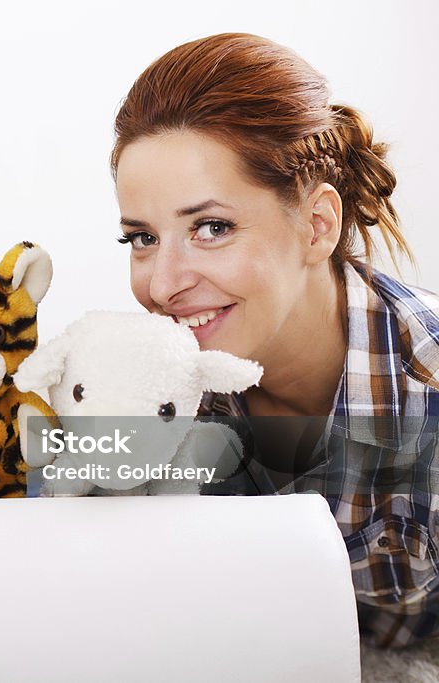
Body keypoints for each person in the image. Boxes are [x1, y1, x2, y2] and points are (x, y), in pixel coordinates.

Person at [110, 33, 439, 648]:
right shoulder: (146, 395)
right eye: (142, 238)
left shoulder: (428, 384)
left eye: (212, 228)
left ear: (318, 225)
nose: (162, 284)